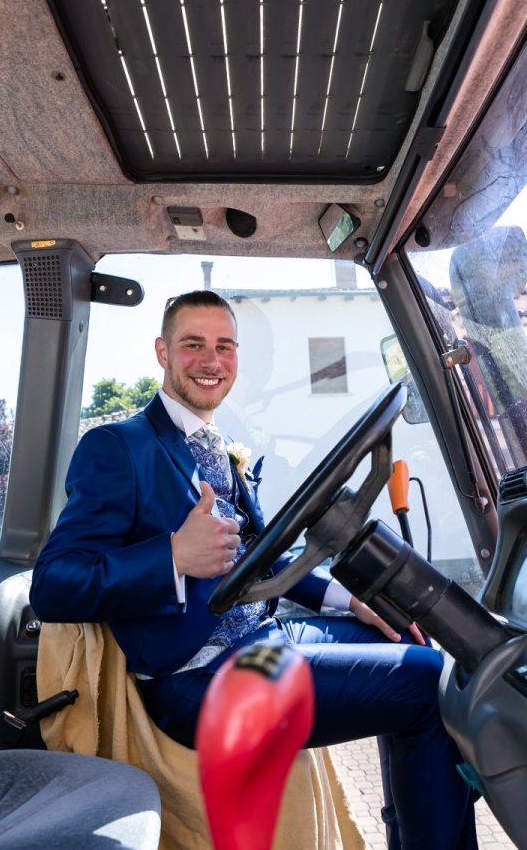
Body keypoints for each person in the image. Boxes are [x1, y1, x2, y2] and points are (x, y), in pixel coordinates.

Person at [30, 290, 477, 850]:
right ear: (162, 352)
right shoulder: (119, 447)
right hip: (198, 681)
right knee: (424, 687)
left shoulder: (217, 443)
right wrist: (171, 557)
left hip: (261, 637)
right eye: (193, 345)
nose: (211, 360)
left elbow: (262, 552)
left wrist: (348, 599)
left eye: (224, 346)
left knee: (415, 642)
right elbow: (53, 585)